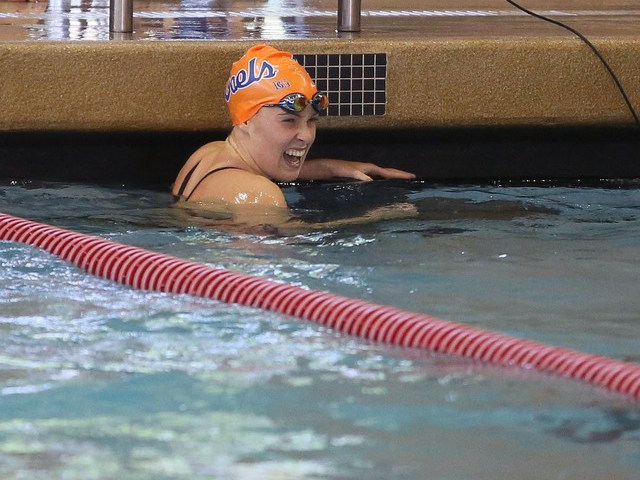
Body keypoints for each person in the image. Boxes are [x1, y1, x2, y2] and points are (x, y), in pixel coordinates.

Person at [172, 44, 415, 228]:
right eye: (289, 121)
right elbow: (293, 252)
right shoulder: (261, 196)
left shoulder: (207, 154)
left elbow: (257, 170)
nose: (306, 136)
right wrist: (375, 218)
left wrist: (327, 168)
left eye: (311, 121)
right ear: (245, 120)